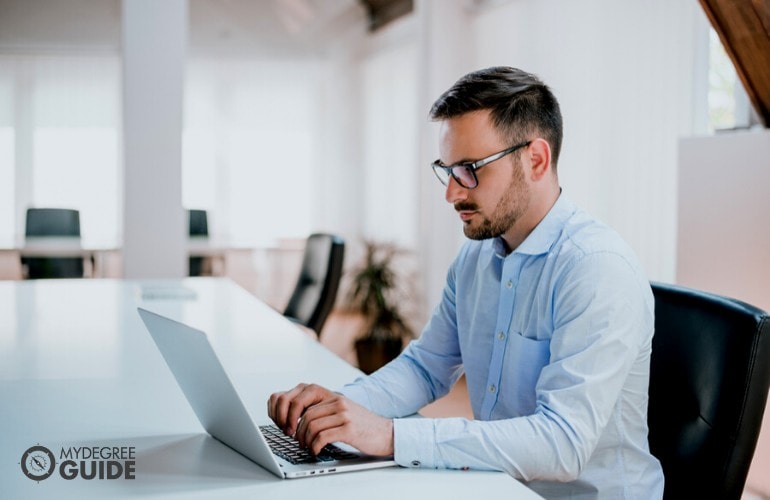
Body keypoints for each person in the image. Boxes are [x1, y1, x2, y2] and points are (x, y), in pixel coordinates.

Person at [268, 66, 665, 498]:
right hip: (497, 485)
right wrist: (335, 408)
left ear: (535, 159)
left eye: (471, 169)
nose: (453, 193)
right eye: (449, 169)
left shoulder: (595, 269)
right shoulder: (477, 257)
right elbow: (425, 368)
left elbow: (562, 444)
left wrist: (390, 436)